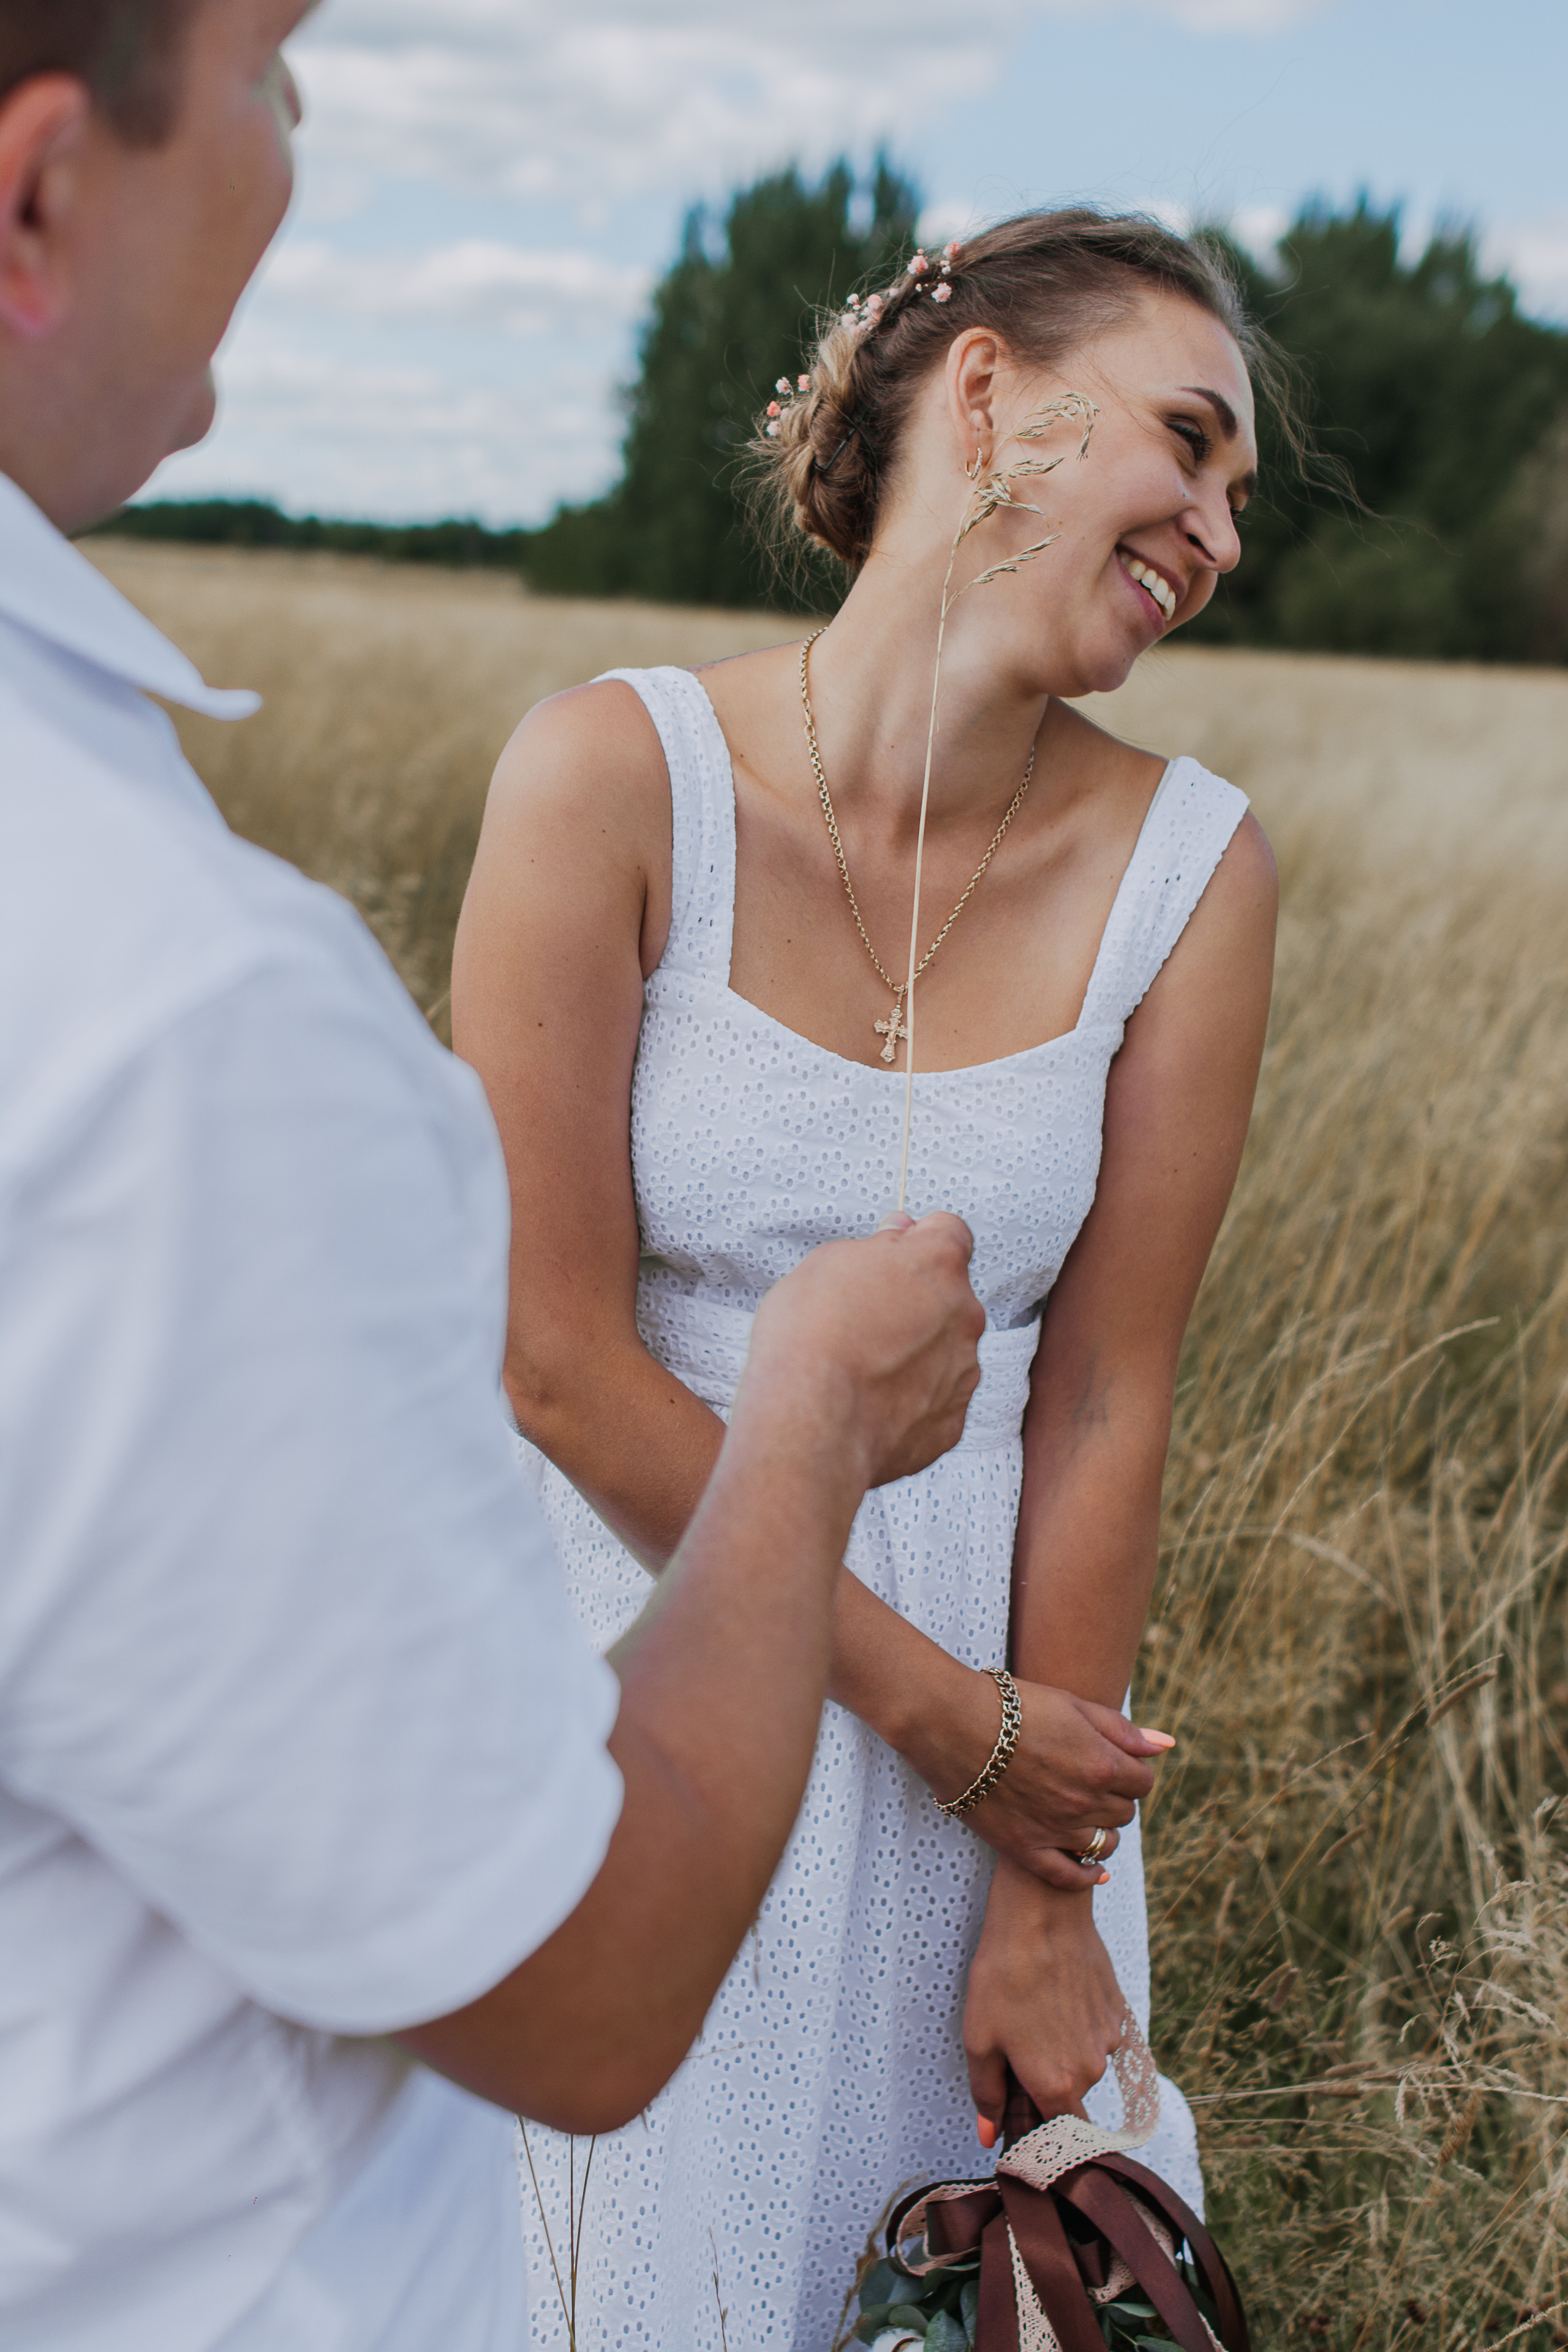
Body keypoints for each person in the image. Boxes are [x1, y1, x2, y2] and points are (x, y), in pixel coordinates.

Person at [0, 6, 990, 2350]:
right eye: (272, 78)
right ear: (37, 194)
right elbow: (573, 1993)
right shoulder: (169, 1007)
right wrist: (816, 1421)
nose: (299, 153)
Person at [451, 208, 1281, 2346]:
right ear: (990, 393)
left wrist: (1034, 1873)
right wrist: (950, 1724)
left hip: (1002, 1754)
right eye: (1188, 446)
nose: (1213, 528)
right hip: (642, 1671)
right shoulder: (609, 774)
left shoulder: (1192, 866)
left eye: (1239, 497)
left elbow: (1107, 1395)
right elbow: (547, 1357)